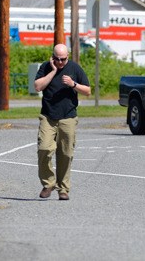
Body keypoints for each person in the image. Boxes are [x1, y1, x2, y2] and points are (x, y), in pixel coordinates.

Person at [34, 44, 91, 200]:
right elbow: (38, 86)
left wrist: (73, 84)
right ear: (53, 56)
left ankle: (63, 189)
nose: (60, 62)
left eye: (63, 59)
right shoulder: (46, 67)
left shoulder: (75, 68)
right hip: (48, 117)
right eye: (57, 59)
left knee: (66, 153)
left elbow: (88, 91)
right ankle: (48, 183)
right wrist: (53, 72)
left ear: (68, 56)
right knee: (44, 149)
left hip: (68, 117)